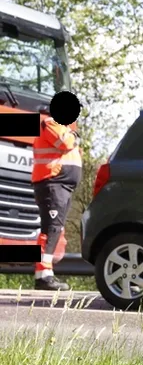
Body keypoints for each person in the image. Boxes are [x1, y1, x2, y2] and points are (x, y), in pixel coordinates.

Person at [31, 108, 83, 291]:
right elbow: (66, 143)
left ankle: (45, 273)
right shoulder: (51, 123)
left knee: (56, 228)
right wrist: (75, 135)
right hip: (52, 183)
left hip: (62, 185)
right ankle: (43, 275)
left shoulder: (62, 126)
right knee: (51, 228)